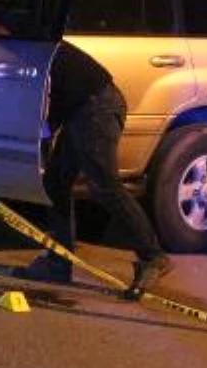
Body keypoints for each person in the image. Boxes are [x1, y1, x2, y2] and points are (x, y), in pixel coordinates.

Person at [12, 40, 173, 299]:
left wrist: (44, 132)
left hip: (95, 106)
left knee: (105, 187)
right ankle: (58, 263)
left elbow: (54, 97)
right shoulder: (34, 41)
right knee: (55, 183)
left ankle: (152, 256)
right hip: (84, 106)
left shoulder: (34, 44)